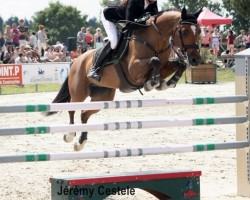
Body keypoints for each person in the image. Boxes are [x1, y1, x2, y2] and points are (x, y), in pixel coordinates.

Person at [87, 0, 158, 81]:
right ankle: (95, 68)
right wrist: (145, 23)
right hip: (109, 16)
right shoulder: (134, 1)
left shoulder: (153, 3)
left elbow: (155, 16)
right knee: (114, 42)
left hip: (125, 19)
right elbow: (129, 24)